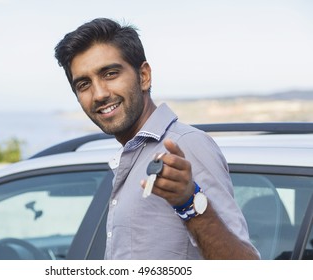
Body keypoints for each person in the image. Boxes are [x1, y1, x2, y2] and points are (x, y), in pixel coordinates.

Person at [54, 18, 260, 260]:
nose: (99, 94)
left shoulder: (186, 146)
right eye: (84, 84)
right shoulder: (133, 154)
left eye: (110, 74)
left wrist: (189, 202)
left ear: (143, 76)